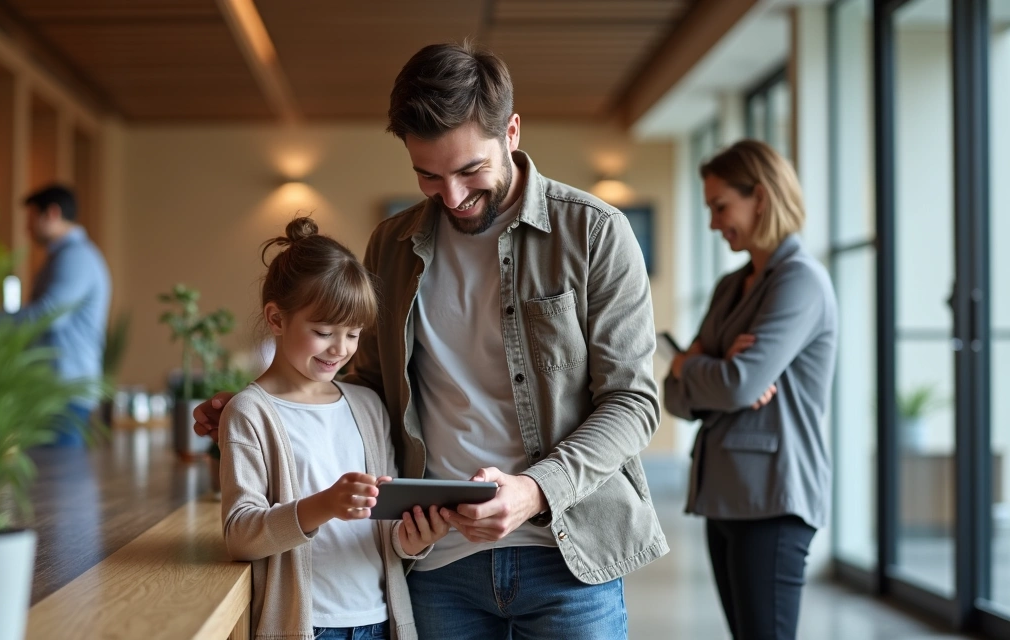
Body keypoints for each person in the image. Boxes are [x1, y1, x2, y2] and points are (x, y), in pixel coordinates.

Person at [200, 42, 665, 638]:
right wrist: (273, 408)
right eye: (428, 175)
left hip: (570, 558)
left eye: (471, 171)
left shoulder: (595, 232)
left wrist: (532, 491)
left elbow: (633, 402)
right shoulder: (389, 246)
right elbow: (368, 386)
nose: (451, 196)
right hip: (435, 562)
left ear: (512, 132)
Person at [220, 217, 448, 639]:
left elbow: (386, 531)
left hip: (380, 622)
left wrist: (413, 539)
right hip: (306, 625)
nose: (339, 350)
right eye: (323, 332)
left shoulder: (367, 405)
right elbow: (240, 535)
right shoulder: (250, 413)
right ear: (276, 319)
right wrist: (324, 505)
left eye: (353, 335)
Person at [663, 139, 837, 640]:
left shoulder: (799, 281)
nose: (715, 223)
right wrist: (699, 368)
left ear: (760, 197)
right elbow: (675, 397)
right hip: (725, 494)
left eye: (721, 207)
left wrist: (693, 365)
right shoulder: (729, 287)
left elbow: (740, 385)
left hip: (774, 497)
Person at [6, 184, 110, 446]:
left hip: (64, 391)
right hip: (58, 390)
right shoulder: (66, 256)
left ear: (51, 213)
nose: (26, 228)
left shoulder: (76, 257)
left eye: (30, 219)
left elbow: (49, 315)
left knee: (57, 480)